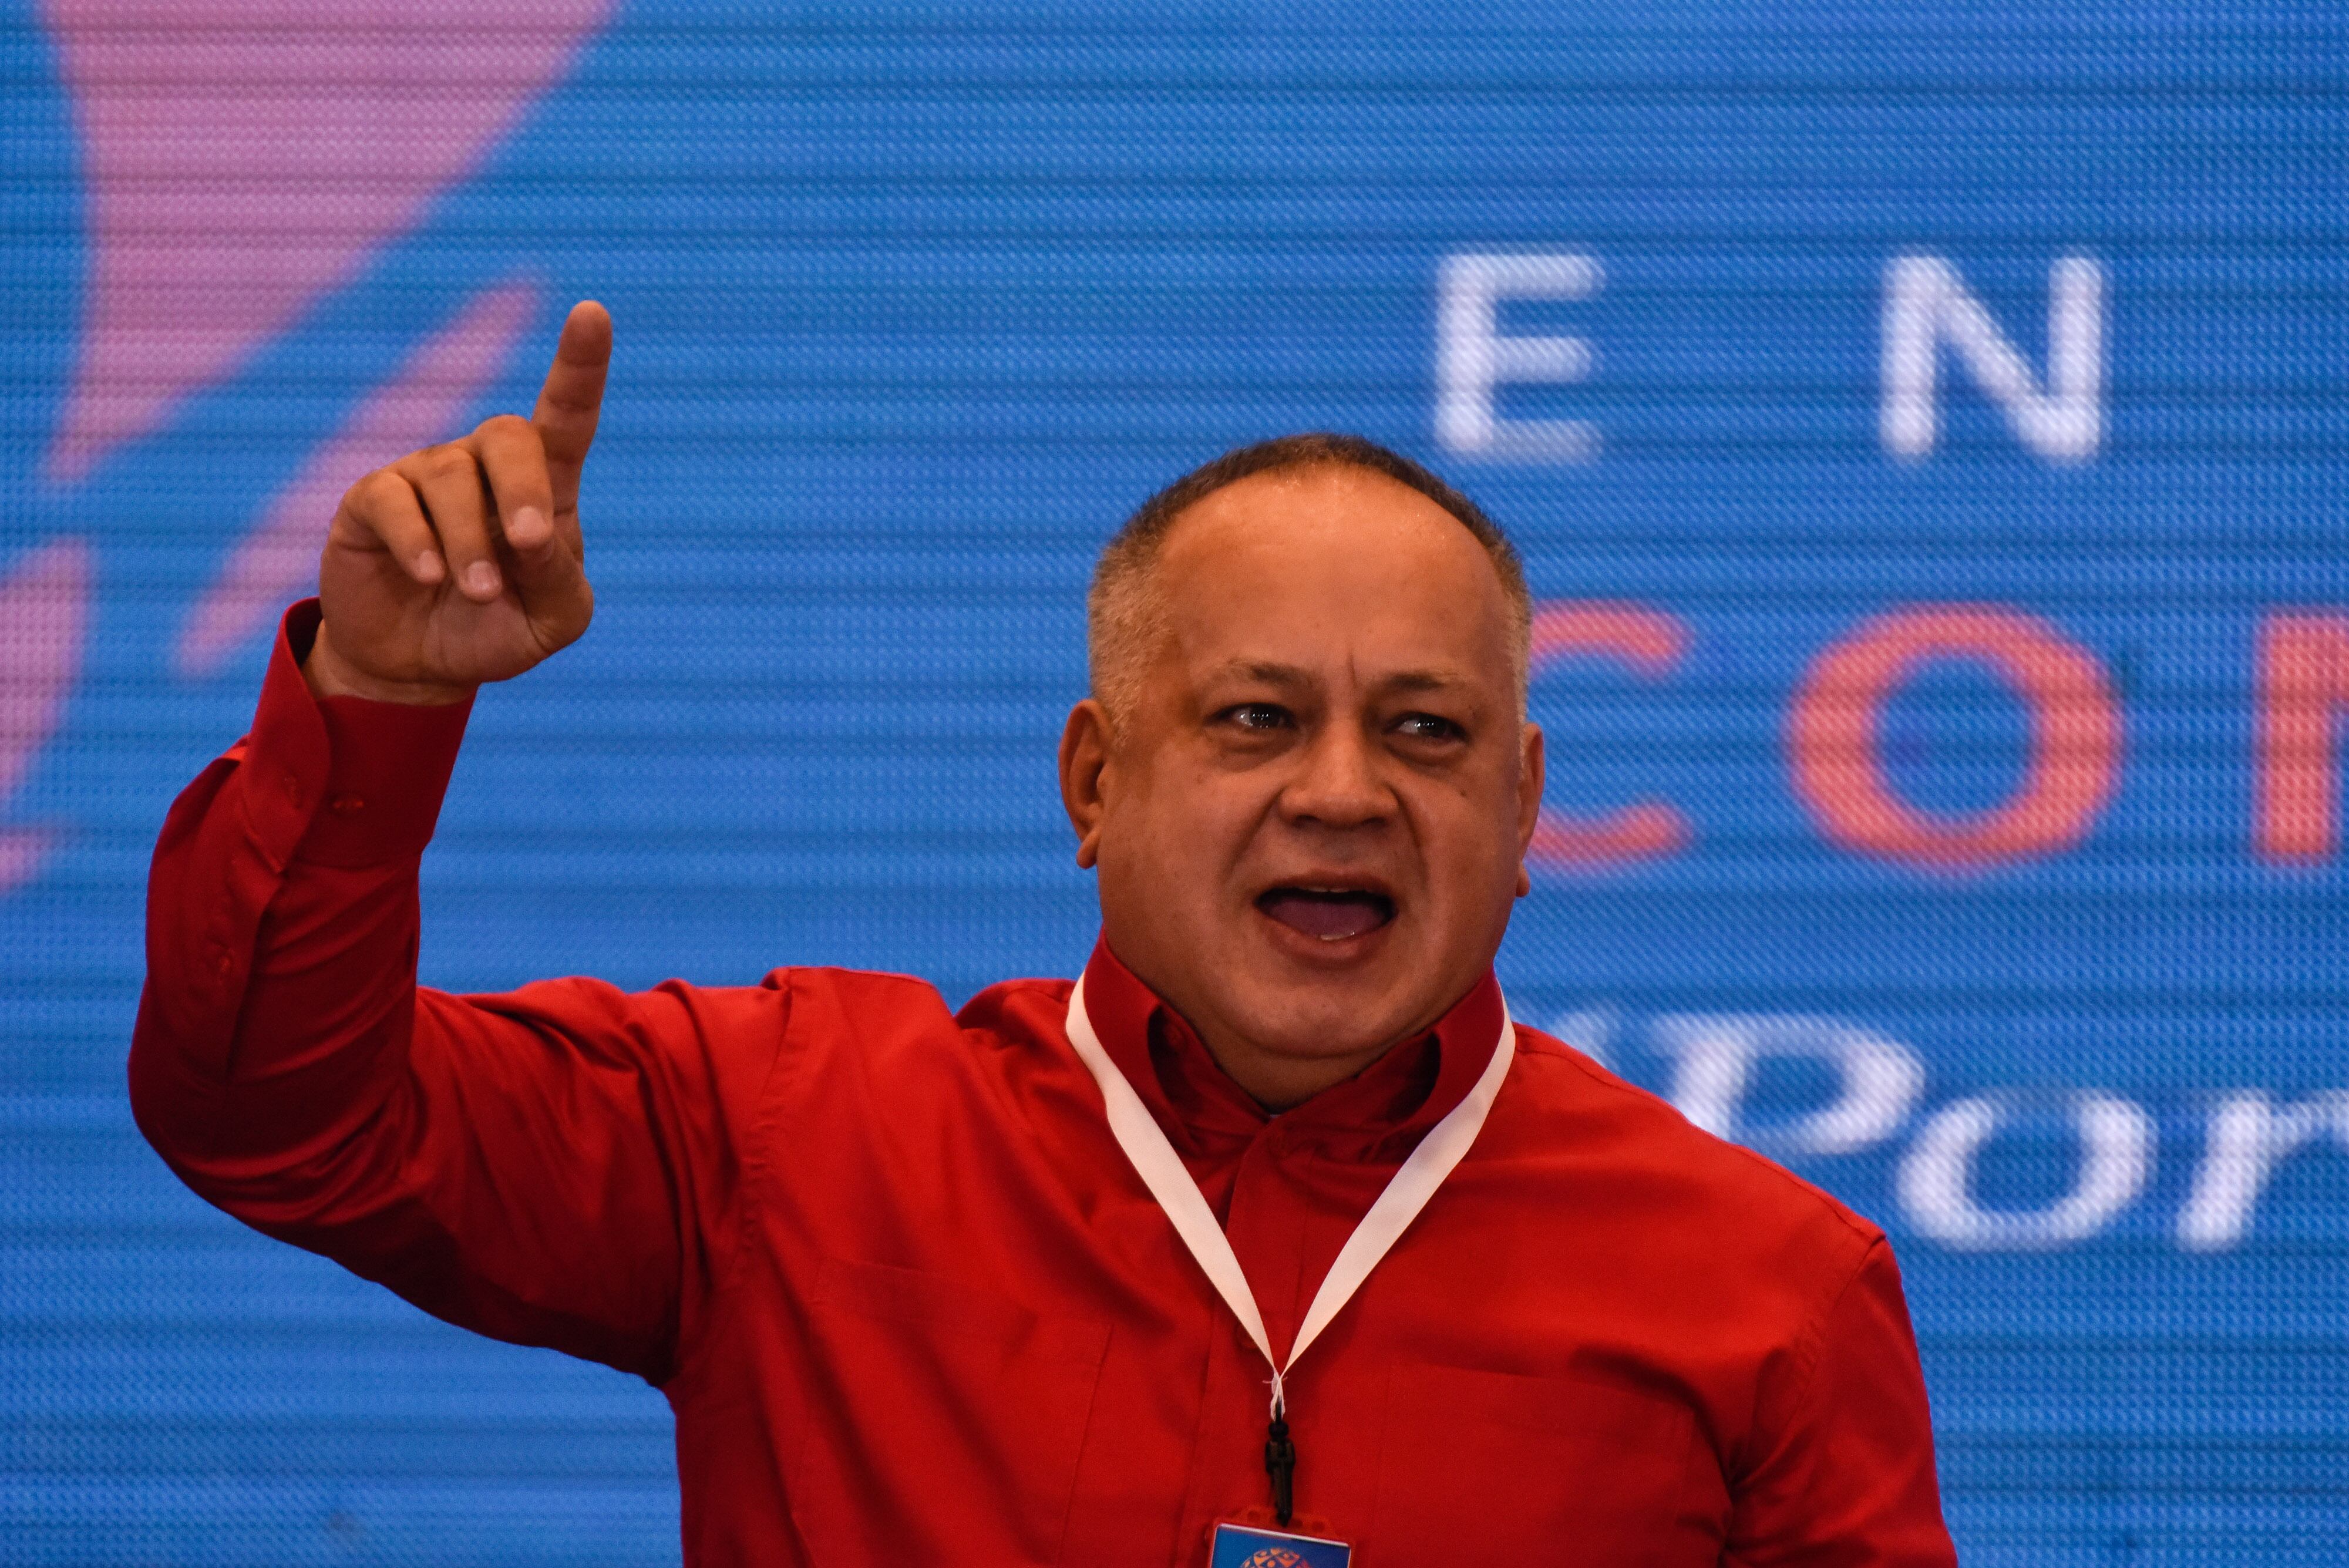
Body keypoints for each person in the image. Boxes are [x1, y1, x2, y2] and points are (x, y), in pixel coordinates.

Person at [132, 301, 1957, 1567]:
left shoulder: (1766, 1293)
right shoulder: (786, 1138)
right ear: (1095, 780)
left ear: (1526, 806)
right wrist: (377, 698)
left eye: (1426, 731)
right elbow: (279, 1119)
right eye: (1255, 720)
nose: (1343, 791)